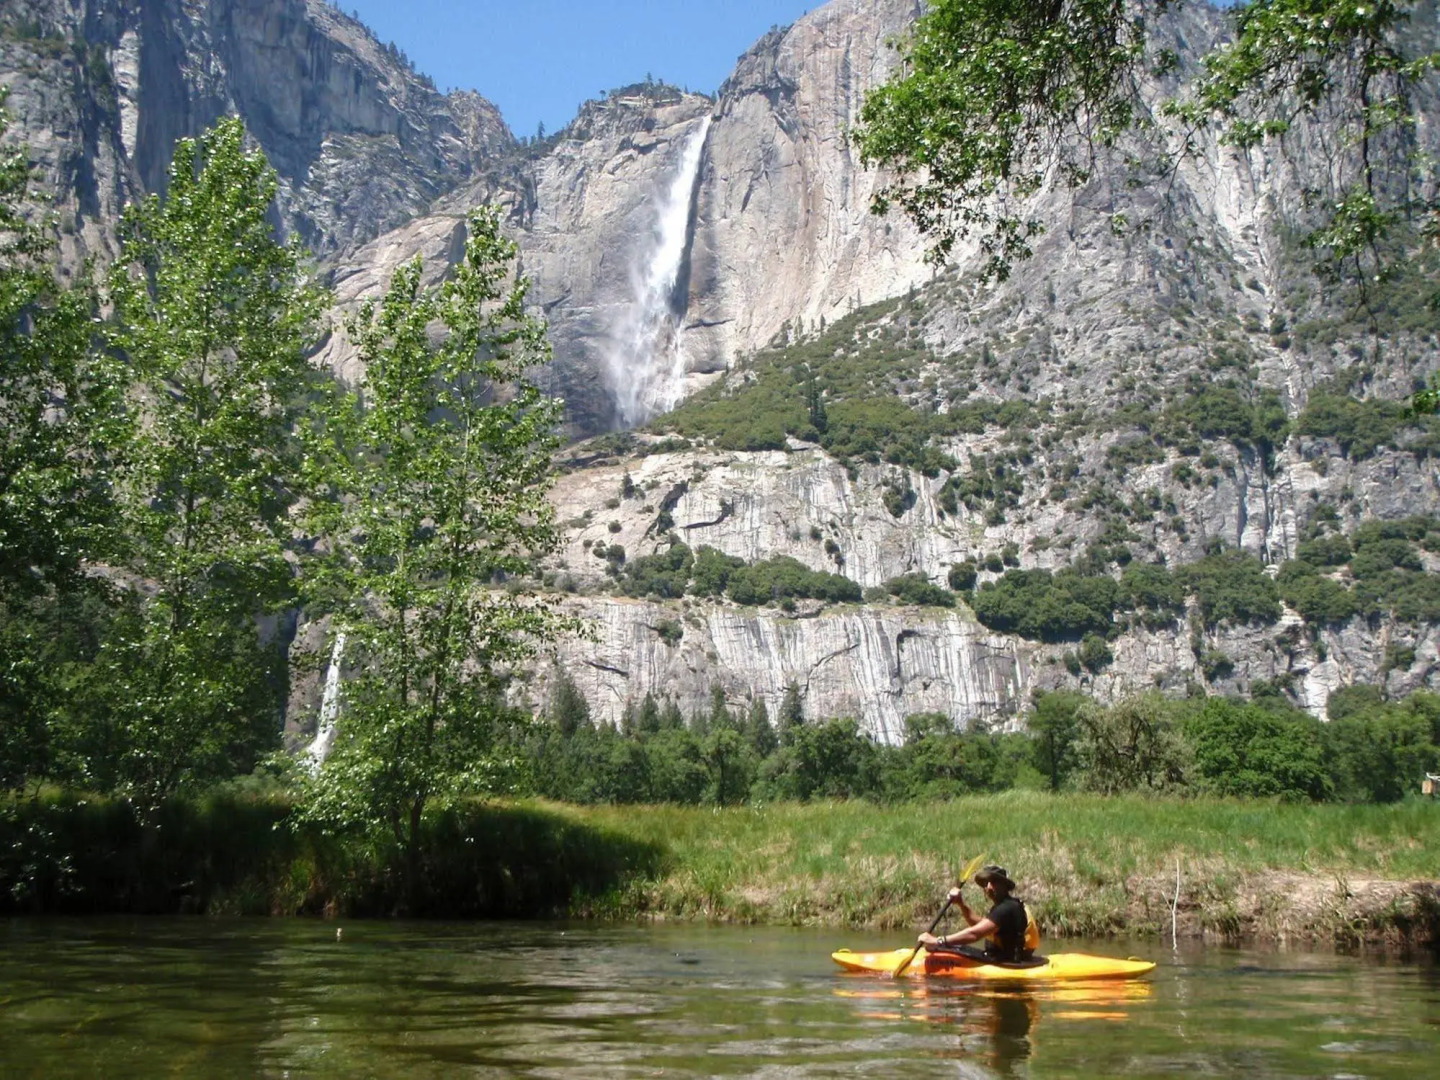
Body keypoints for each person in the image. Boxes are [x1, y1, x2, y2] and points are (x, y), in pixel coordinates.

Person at [917, 864, 1031, 963]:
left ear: (1005, 886)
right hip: (999, 958)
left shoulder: (1007, 908)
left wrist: (938, 941)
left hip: (1008, 963)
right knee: (956, 948)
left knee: (949, 947)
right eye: (986, 883)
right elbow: (979, 925)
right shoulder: (1004, 906)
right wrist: (961, 904)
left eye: (994, 882)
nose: (989, 887)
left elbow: (975, 933)